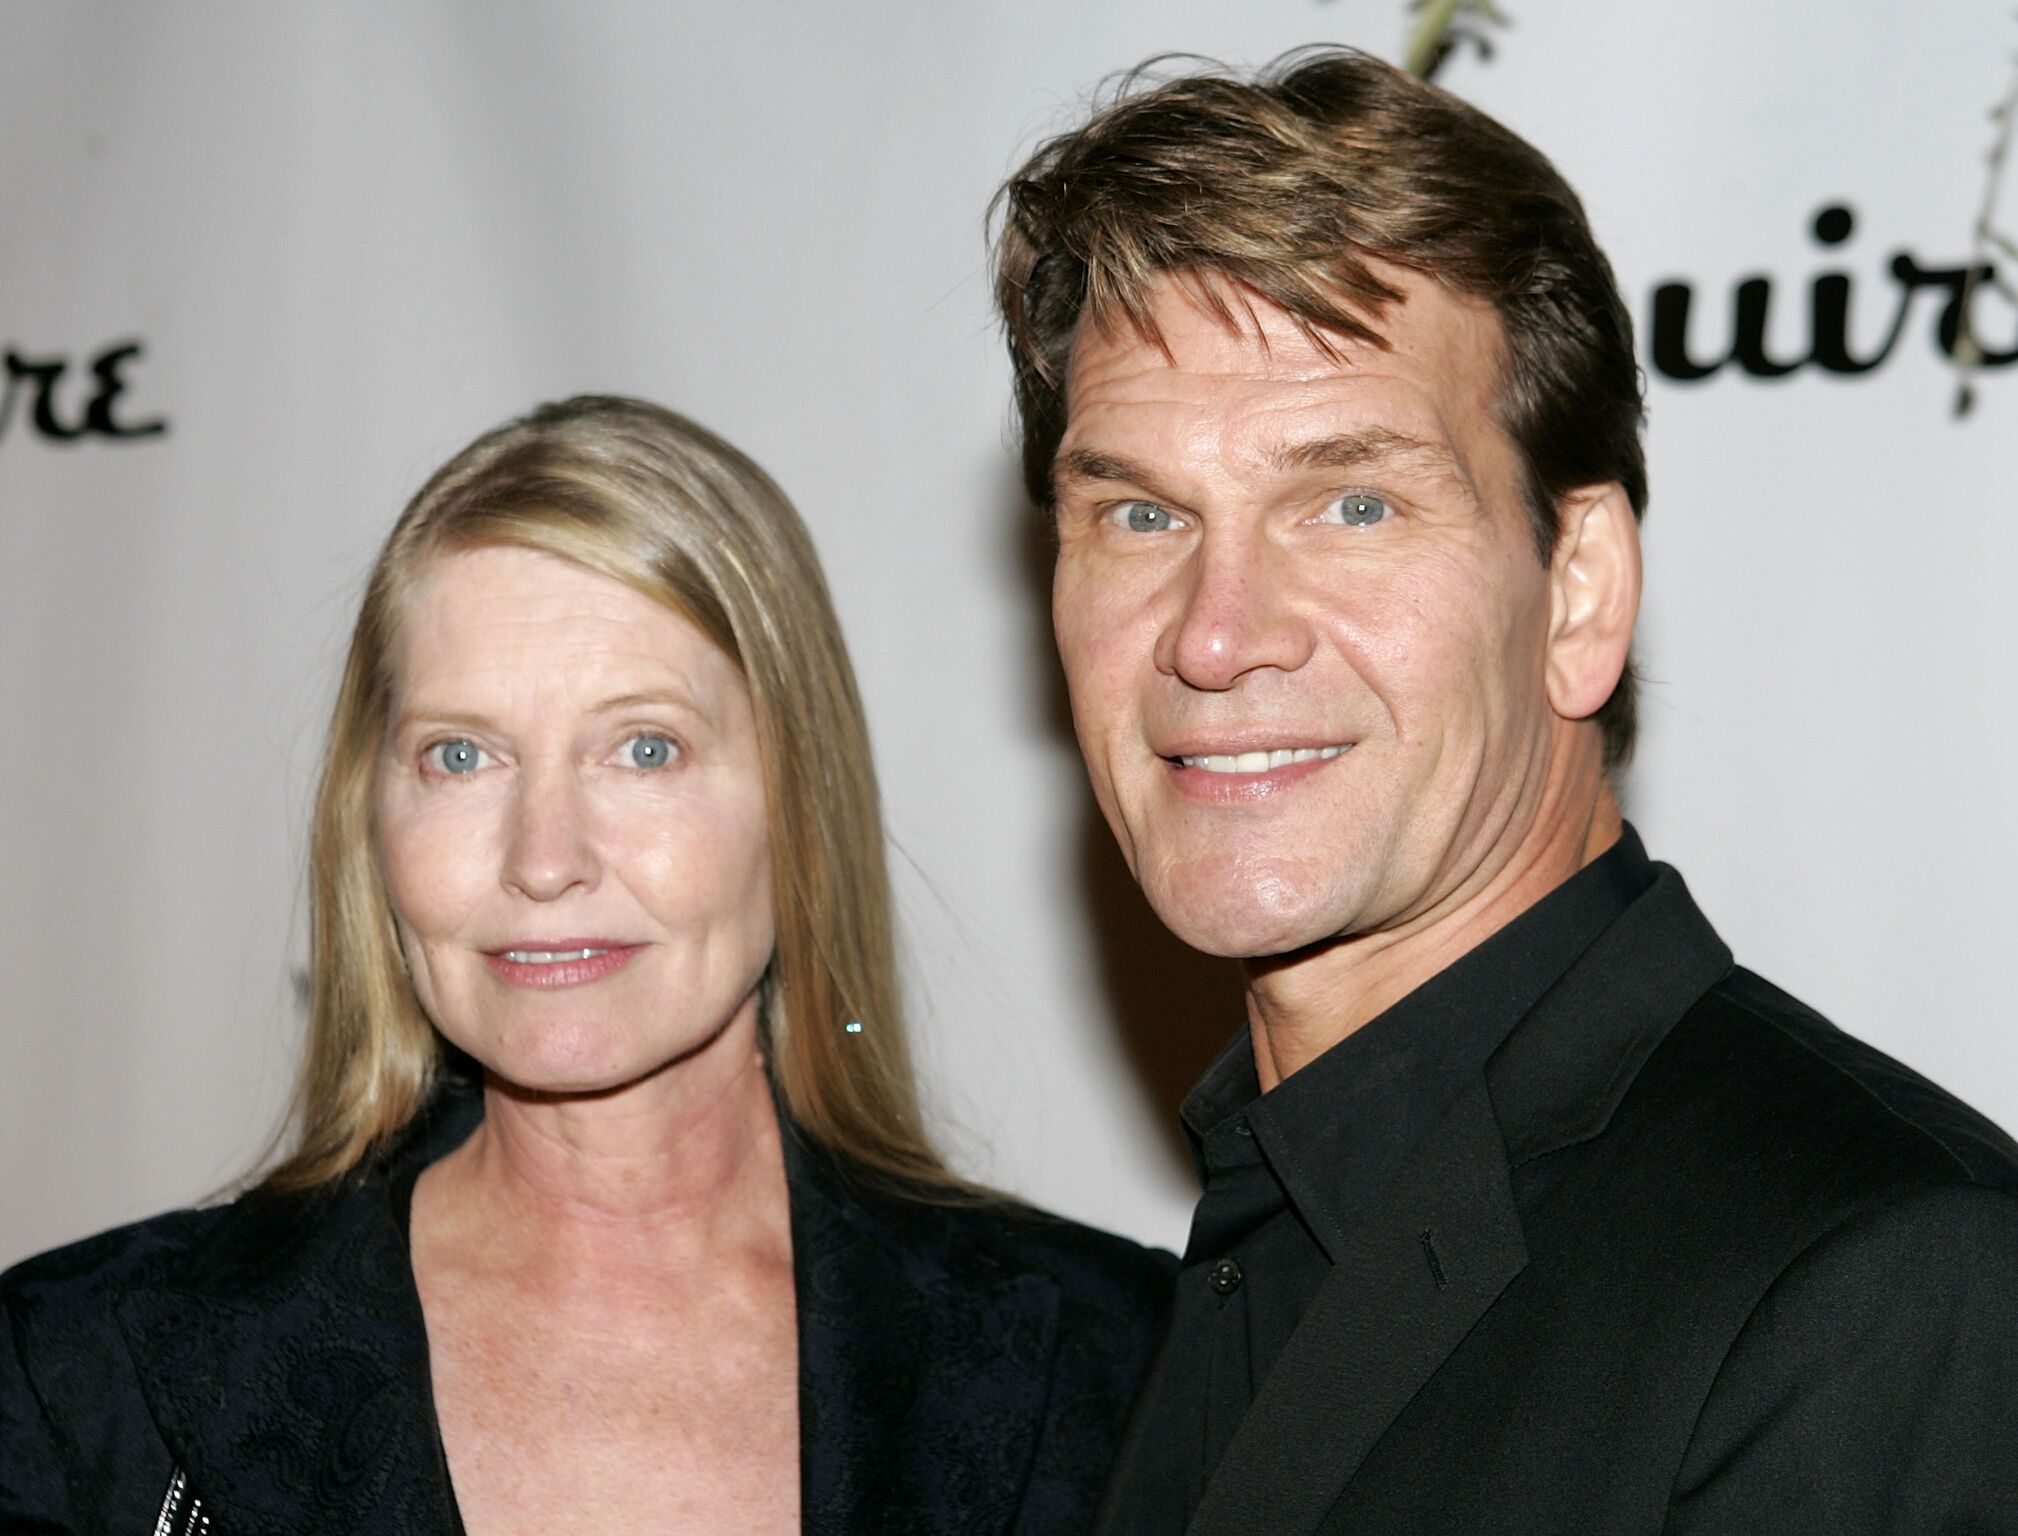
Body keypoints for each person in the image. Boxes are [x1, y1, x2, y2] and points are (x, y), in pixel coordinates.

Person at [992, 47, 2018, 1534]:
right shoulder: (1212, 1260)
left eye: (1350, 504)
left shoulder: (1878, 1282)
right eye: (1140, 513)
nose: (1213, 635)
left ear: (1578, 589)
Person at [0, 396, 1172, 1536]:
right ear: (370, 820)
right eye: (460, 756)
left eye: (643, 748)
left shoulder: (1126, 1367)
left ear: (799, 803)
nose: (543, 859)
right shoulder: (78, 1373)